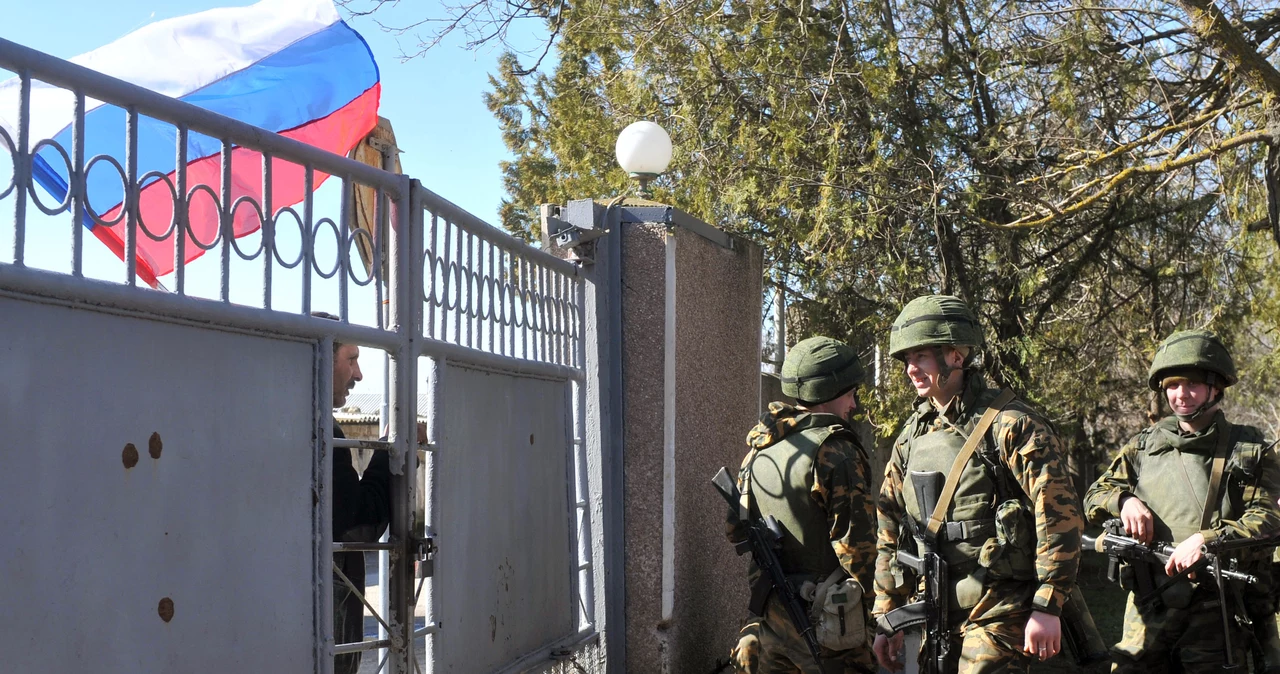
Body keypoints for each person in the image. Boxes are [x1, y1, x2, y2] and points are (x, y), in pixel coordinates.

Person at [871, 295, 1082, 674]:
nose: (910, 369)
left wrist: (1048, 603)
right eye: (906, 359)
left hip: (999, 604)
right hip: (935, 604)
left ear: (955, 355)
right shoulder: (912, 436)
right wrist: (887, 614)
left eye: (920, 356)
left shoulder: (1011, 424)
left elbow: (1058, 513)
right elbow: (889, 523)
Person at [1083, 329, 1280, 674]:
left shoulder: (1245, 449)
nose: (1181, 394)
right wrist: (1124, 500)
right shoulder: (1143, 446)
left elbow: (1267, 518)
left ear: (1215, 388)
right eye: (1172, 385)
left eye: (1191, 384)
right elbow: (1094, 497)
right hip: (1147, 607)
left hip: (1213, 612)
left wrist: (1206, 540)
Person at [727, 336, 878, 673]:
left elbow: (735, 530)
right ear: (831, 390)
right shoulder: (836, 452)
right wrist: (871, 617)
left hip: (770, 620)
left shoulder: (758, 451)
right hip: (829, 625)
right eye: (850, 394)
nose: (853, 405)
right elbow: (858, 550)